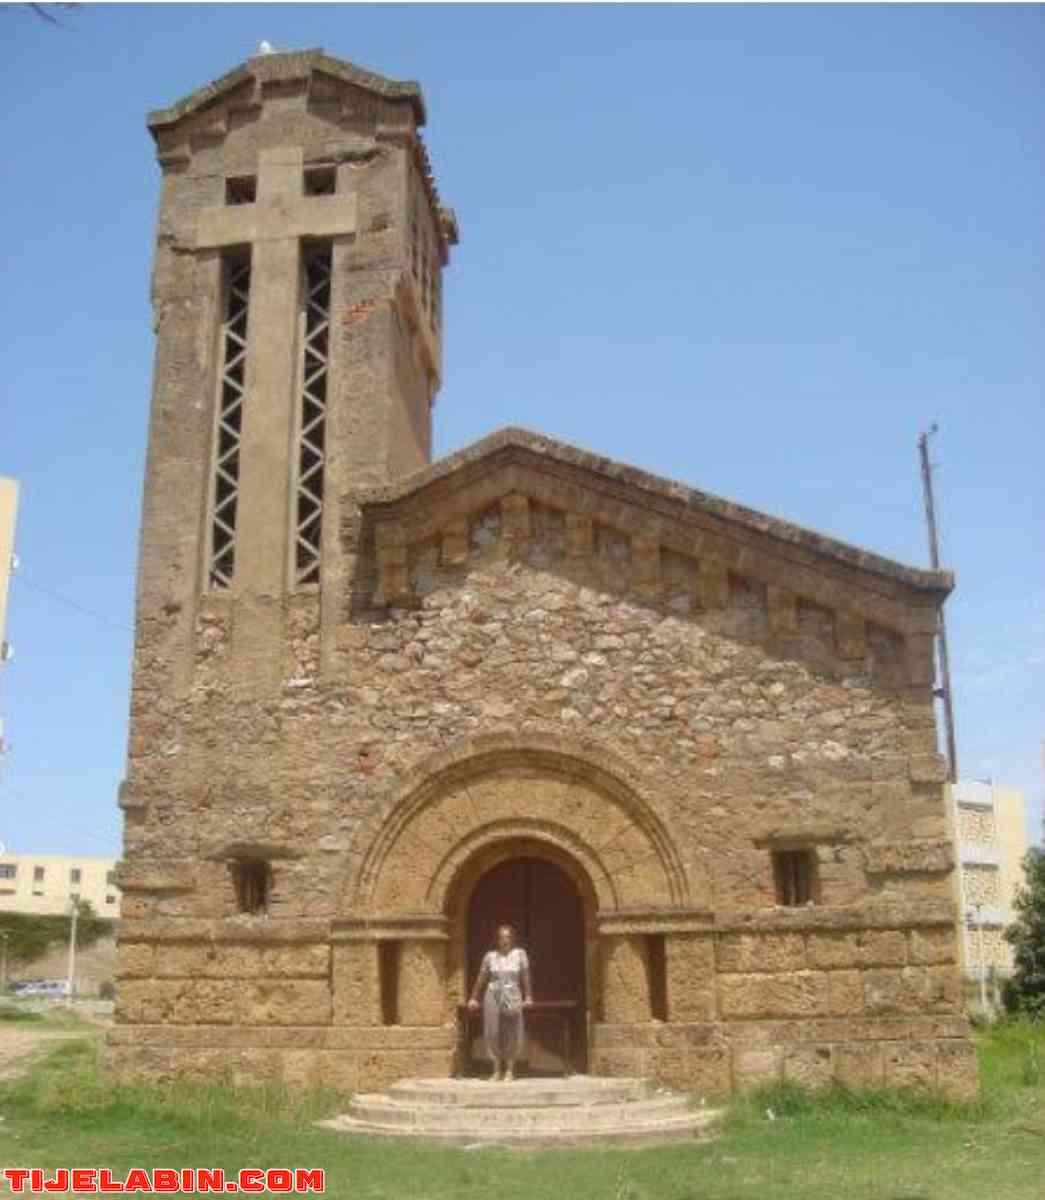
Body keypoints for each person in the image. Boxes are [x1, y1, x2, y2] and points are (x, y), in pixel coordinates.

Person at [467, 922, 533, 1081]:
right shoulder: (490, 956)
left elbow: (525, 976)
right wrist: (474, 997)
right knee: (492, 1031)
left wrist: (528, 996)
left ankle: (509, 1070)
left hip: (512, 993)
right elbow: (481, 978)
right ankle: (496, 1069)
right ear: (497, 940)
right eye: (501, 937)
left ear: (512, 939)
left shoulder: (520, 954)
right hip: (493, 993)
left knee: (512, 1031)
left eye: (508, 937)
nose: (505, 940)